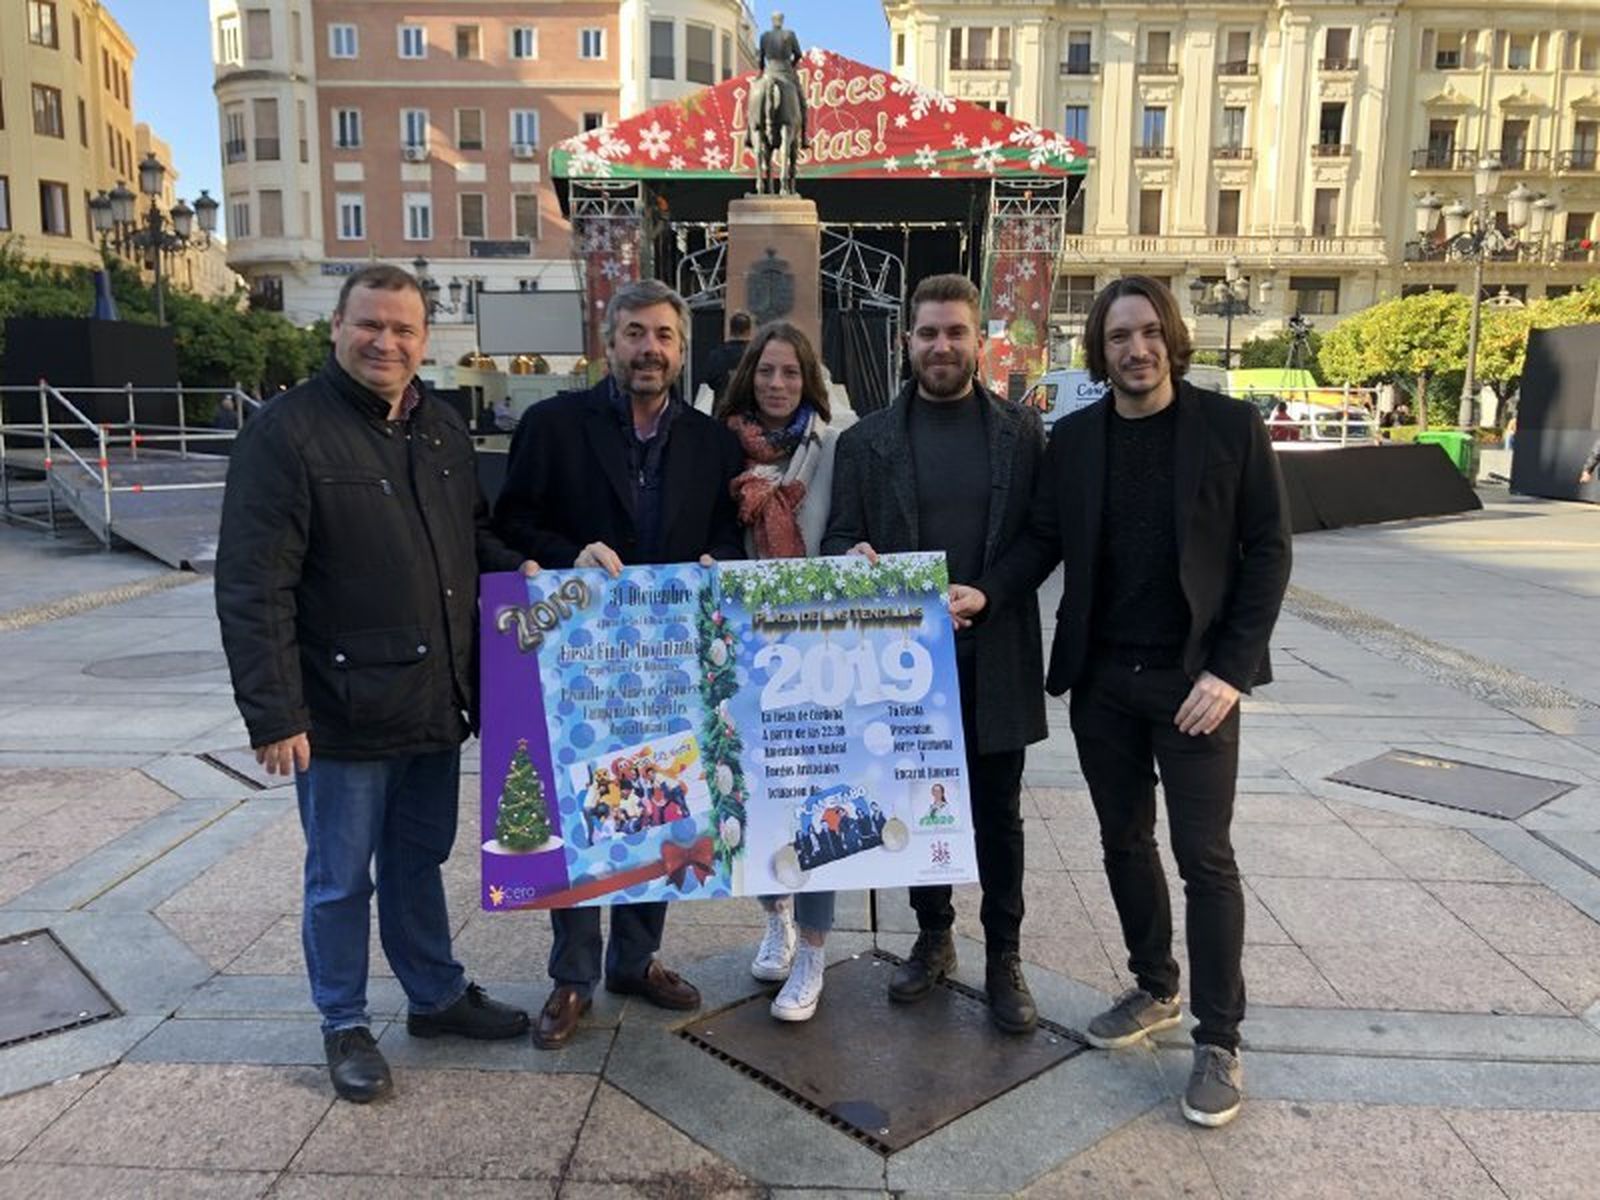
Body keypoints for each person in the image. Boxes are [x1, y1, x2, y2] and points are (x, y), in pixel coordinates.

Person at [960, 275, 1292, 1128]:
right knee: (1122, 841)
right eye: (1117, 337)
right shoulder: (1073, 440)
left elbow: (1267, 551)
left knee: (1204, 857)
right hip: (1104, 682)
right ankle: (1155, 986)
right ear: (1099, 352)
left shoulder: (1228, 427)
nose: (1134, 350)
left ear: (1170, 337)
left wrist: (1230, 670)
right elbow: (1041, 539)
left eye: (1147, 333)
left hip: (1195, 686)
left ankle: (1220, 1037)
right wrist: (988, 596)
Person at [214, 264, 534, 1105]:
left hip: (434, 702)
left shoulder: (441, 430)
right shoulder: (286, 433)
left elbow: (471, 541)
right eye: (371, 325)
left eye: (404, 330)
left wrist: (535, 571)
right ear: (337, 327)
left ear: (425, 340)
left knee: (418, 859)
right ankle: (344, 1022)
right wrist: (275, 711)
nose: (386, 342)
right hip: (340, 708)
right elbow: (253, 585)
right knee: (339, 875)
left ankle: (433, 996)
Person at [495, 277, 743, 1050]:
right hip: (577, 662)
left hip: (668, 661)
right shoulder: (551, 425)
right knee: (576, 811)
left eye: (664, 335)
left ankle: (636, 960)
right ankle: (572, 976)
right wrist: (566, 557)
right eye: (635, 333)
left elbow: (729, 540)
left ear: (680, 348)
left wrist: (713, 562)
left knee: (659, 799)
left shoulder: (712, 441)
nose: (650, 348)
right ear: (609, 343)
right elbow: (508, 527)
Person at [823, 273, 1048, 1034]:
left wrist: (989, 590)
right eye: (928, 333)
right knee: (918, 806)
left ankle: (1005, 957)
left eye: (955, 332)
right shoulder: (865, 442)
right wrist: (848, 556)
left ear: (977, 340)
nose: (942, 346)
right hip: (905, 667)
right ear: (907, 342)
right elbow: (833, 537)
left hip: (997, 652)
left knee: (999, 816)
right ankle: (934, 936)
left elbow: (1041, 540)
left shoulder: (1023, 432)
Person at [712, 321, 840, 1021]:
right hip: (745, 646)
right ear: (748, 376)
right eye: (766, 371)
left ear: (808, 379)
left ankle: (814, 954)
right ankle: (777, 919)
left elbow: (848, 524)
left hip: (819, 649)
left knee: (817, 801)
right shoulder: (719, 446)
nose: (777, 383)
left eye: (790, 372)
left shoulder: (834, 443)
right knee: (757, 800)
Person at [758, 11, 809, 149]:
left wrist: (762, 71)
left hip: (769, 73)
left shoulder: (764, 36)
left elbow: (761, 59)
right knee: (803, 104)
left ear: (772, 21)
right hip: (785, 72)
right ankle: (804, 137)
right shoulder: (790, 35)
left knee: (753, 101)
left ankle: (749, 135)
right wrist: (791, 65)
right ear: (782, 21)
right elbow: (798, 54)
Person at [703, 311, 754, 408]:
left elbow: (710, 382)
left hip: (723, 409)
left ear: (730, 330)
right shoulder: (756, 354)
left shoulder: (717, 354)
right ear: (748, 330)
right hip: (749, 411)